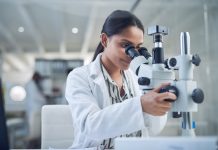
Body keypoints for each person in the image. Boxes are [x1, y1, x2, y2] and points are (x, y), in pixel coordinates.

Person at [65, 10, 176, 149]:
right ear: (105, 40)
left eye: (137, 48)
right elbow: (90, 125)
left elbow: (154, 129)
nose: (132, 54)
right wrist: (140, 105)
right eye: (125, 45)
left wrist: (159, 103)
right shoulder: (79, 77)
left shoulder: (138, 76)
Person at [25, 72, 47, 148]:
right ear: (35, 77)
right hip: (34, 110)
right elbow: (35, 96)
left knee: (36, 130)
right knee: (33, 131)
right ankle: (30, 146)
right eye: (38, 78)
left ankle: (34, 145)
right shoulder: (31, 84)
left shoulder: (34, 84)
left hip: (36, 109)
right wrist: (44, 98)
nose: (39, 80)